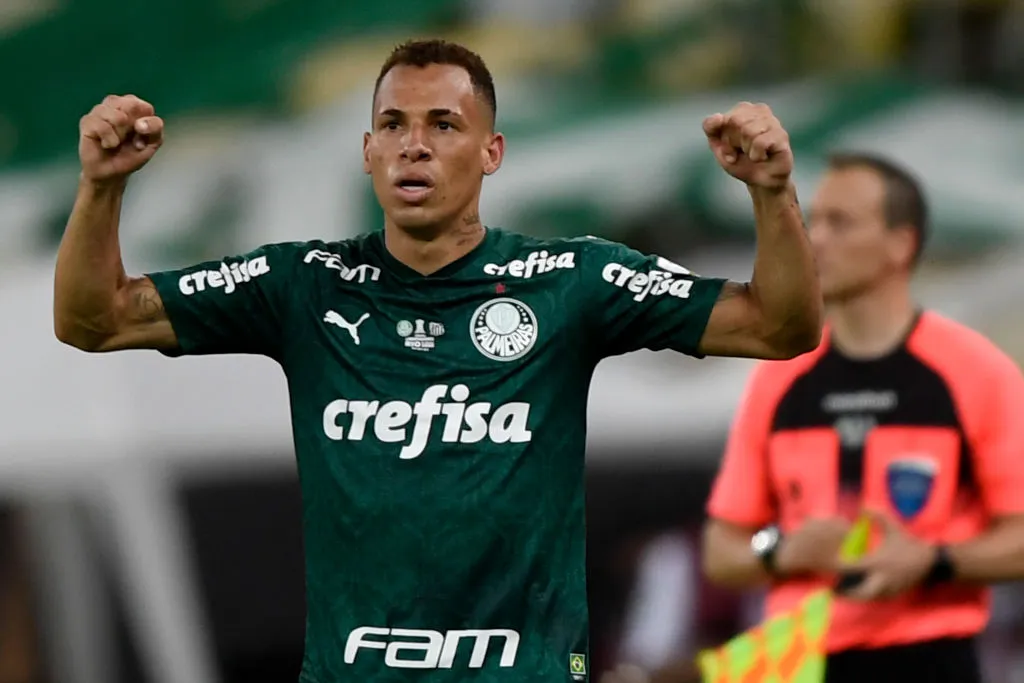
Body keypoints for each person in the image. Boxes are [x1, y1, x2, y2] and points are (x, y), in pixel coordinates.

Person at [53, 39, 822, 682]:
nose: (413, 143)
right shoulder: (301, 284)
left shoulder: (570, 281)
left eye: (444, 124)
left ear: (492, 152)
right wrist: (100, 189)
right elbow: (95, 319)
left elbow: (777, 328)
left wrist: (773, 194)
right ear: (367, 151)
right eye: (392, 123)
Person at [692, 153, 1024, 683]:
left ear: (902, 243)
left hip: (927, 657)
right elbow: (720, 552)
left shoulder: (977, 371)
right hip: (797, 660)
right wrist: (782, 550)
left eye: (839, 222)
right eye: (813, 220)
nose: (816, 239)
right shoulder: (779, 377)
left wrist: (934, 560)